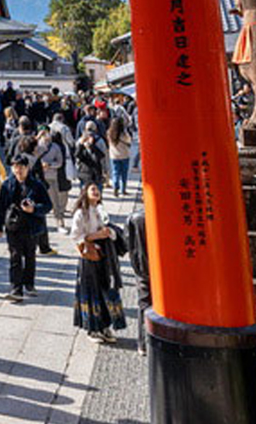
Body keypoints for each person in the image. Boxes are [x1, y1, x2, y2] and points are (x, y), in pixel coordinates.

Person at [0, 155, 52, 301]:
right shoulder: (7, 185)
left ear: (27, 168)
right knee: (15, 256)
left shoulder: (36, 185)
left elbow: (48, 205)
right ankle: (16, 287)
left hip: (31, 226)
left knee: (30, 256)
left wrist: (34, 209)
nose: (18, 170)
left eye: (21, 167)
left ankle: (29, 283)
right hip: (13, 226)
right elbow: (0, 208)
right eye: (15, 167)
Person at [71, 184, 125, 343]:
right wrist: (96, 236)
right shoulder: (81, 213)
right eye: (92, 189)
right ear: (85, 193)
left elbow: (112, 230)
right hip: (90, 257)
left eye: (97, 190)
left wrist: (110, 233)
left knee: (107, 290)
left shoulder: (102, 211)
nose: (96, 192)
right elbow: (76, 236)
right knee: (91, 292)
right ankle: (93, 329)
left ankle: (106, 325)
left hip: (105, 256)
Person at [126, 204, 150, 355]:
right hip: (159, 267)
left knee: (144, 304)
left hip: (141, 267)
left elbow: (127, 242)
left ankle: (142, 342)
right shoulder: (164, 216)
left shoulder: (134, 218)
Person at [75, 122, 108, 191]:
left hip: (85, 172)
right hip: (93, 172)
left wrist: (91, 146)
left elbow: (77, 157)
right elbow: (103, 158)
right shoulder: (100, 141)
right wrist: (105, 169)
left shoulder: (80, 140)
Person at [107, 115, 133, 197]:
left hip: (114, 155)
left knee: (115, 172)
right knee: (124, 173)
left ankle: (115, 187)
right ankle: (123, 189)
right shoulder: (124, 134)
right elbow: (129, 141)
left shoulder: (109, 133)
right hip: (124, 155)